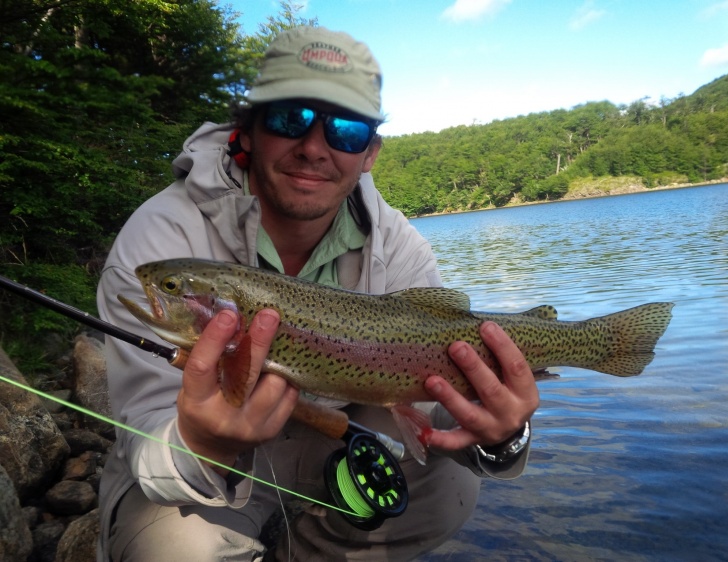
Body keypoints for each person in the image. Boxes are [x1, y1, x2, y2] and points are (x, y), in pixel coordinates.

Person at [96, 26, 539, 561]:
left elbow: (441, 403)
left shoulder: (399, 247)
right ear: (249, 129)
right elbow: (141, 434)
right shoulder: (160, 241)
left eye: (346, 131)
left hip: (328, 441)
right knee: (181, 551)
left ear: (370, 152)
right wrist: (203, 444)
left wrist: (504, 438)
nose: (313, 148)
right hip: (201, 475)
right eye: (290, 118)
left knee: (451, 489)